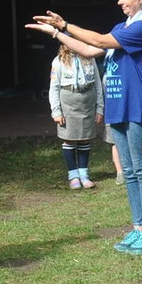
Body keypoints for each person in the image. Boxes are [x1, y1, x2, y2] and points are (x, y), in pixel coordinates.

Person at [29, 0, 142, 254]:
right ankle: (138, 228)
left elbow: (99, 39)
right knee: (129, 171)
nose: (119, 1)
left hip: (137, 105)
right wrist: (56, 34)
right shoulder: (124, 26)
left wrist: (65, 24)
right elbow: (90, 49)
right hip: (119, 106)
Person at [48, 40, 104, 189]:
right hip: (68, 105)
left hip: (87, 104)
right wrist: (56, 111)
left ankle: (84, 174)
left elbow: (98, 84)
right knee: (70, 140)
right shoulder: (59, 61)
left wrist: (99, 108)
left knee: (85, 139)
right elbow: (53, 88)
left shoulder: (90, 58)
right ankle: (73, 176)